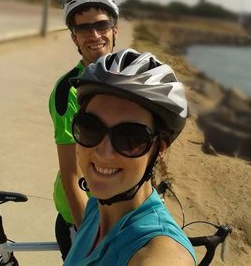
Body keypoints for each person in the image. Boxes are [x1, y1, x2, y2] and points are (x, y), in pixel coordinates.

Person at [64, 48, 197, 265]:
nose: (103, 152)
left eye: (130, 138)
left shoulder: (157, 253)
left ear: (159, 149)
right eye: (90, 128)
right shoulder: (95, 209)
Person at [49, 0, 119, 259]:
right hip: (84, 214)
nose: (94, 35)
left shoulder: (129, 79)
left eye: (102, 25)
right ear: (74, 37)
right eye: (83, 28)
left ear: (115, 29)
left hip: (118, 209)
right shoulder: (69, 90)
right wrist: (90, 240)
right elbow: (70, 174)